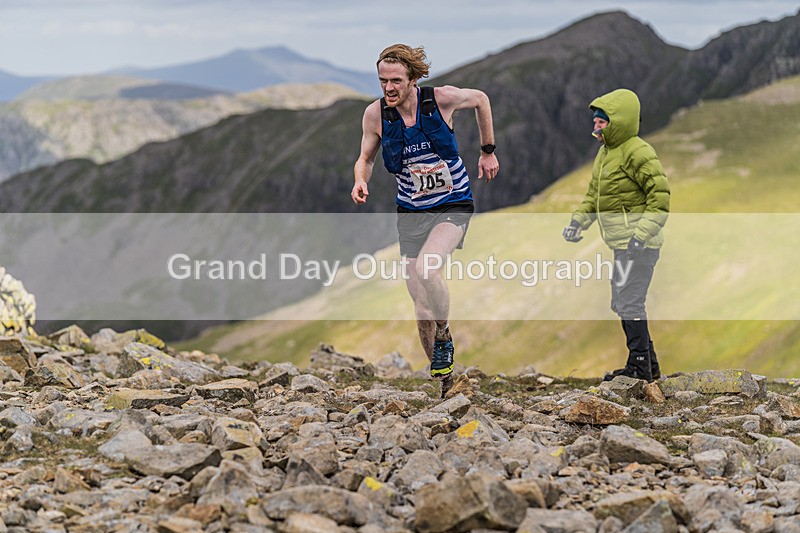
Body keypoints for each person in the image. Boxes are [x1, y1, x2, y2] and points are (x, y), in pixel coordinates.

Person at [351, 44, 499, 398]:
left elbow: (481, 99)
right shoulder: (375, 115)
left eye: (396, 81)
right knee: (420, 303)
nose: (388, 88)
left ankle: (444, 334)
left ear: (413, 79)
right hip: (411, 210)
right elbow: (366, 159)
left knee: (428, 268)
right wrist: (360, 180)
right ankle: (445, 382)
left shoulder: (441, 100)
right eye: (383, 81)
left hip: (452, 202)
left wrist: (487, 151)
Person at [562, 88, 669, 382]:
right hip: (623, 245)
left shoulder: (638, 151)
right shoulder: (605, 154)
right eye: (595, 121)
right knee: (621, 302)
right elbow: (593, 195)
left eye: (602, 122)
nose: (595, 127)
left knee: (630, 302)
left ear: (618, 122)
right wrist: (577, 222)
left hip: (640, 245)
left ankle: (639, 369)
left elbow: (660, 198)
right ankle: (648, 366)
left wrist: (640, 236)